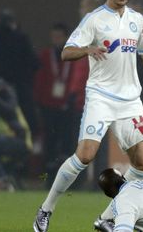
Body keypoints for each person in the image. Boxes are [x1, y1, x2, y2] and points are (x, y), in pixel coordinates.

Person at [33, 0, 143, 231]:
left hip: (130, 101)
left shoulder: (137, 20)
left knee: (142, 163)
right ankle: (46, 209)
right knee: (85, 155)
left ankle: (107, 218)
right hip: (101, 97)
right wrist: (87, 50)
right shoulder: (93, 19)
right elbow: (67, 52)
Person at [33, 23, 88, 186]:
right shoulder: (45, 55)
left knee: (67, 143)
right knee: (49, 142)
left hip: (67, 106)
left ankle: (67, 180)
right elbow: (40, 80)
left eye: (59, 37)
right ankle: (47, 179)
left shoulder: (73, 55)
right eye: (54, 37)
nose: (56, 40)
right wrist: (40, 102)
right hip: (48, 107)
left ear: (65, 38)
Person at [0, 8, 40, 132]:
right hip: (21, 86)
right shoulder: (22, 39)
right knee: (26, 119)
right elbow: (35, 63)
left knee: (2, 117)